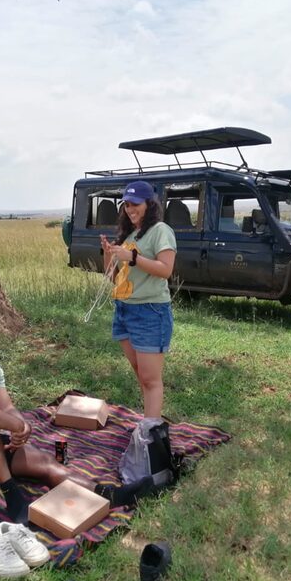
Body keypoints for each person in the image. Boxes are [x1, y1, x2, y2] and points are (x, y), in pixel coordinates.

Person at [0, 308, 153, 526]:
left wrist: (21, 426)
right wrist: (11, 423)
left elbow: (7, 407)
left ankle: (109, 494)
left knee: (43, 462)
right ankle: (12, 496)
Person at [99, 180, 177, 428]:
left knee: (151, 380)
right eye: (127, 205)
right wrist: (109, 254)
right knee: (141, 375)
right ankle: (149, 424)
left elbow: (166, 270)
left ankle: (150, 437)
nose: (130, 210)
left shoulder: (161, 230)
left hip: (150, 311)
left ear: (149, 204)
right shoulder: (130, 234)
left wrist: (132, 257)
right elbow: (113, 277)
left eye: (135, 205)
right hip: (125, 310)